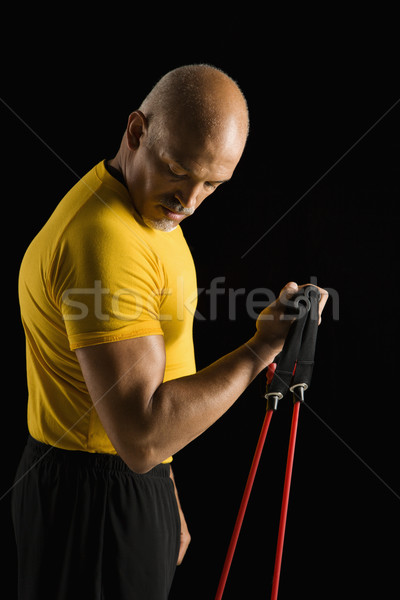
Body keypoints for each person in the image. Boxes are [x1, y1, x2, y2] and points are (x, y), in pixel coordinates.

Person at [13, 63, 328, 600]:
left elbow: (154, 392)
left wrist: (167, 496)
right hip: (94, 500)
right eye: (178, 170)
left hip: (119, 488)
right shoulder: (106, 241)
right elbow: (139, 437)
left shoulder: (147, 213)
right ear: (137, 132)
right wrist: (259, 351)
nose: (190, 200)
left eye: (212, 184)